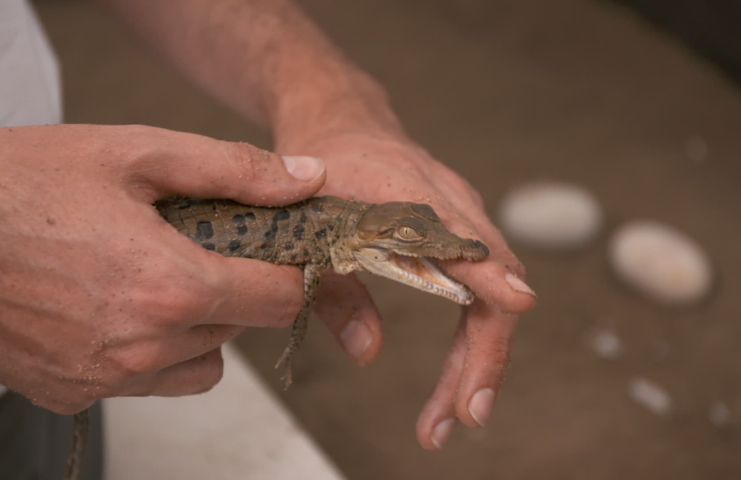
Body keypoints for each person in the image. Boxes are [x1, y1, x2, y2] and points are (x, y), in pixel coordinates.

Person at [0, 0, 537, 477]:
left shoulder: (335, 229)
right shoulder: (320, 244)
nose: (441, 249)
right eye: (402, 235)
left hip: (74, 303)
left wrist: (328, 99)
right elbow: (300, 298)